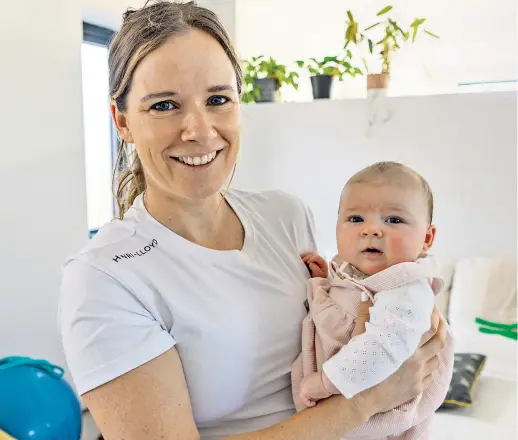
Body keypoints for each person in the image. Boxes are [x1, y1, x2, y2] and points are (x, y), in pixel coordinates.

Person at [58, 2, 447, 439]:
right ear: (122, 121)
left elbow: (340, 326)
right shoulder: (105, 277)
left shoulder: (285, 215)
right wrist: (370, 399)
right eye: (165, 105)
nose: (200, 130)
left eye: (218, 99)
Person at [292, 162, 454, 439]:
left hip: (378, 419)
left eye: (393, 220)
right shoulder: (353, 270)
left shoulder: (406, 286)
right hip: (333, 416)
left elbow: (385, 346)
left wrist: (326, 383)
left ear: (427, 238)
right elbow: (351, 295)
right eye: (356, 219)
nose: (371, 230)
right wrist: (329, 280)